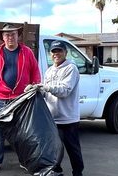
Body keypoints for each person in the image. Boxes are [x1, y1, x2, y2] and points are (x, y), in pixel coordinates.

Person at [0, 23, 41, 173]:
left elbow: (35, 73)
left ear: (18, 35)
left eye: (13, 34)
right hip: (1, 99)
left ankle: (25, 161)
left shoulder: (27, 52)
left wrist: (35, 89)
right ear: (3, 37)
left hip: (21, 99)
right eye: (7, 35)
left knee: (24, 133)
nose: (10, 37)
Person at [26, 40, 84, 176]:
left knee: (72, 148)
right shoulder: (49, 71)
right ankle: (56, 170)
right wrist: (35, 89)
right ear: (50, 54)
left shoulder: (71, 68)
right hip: (52, 117)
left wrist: (47, 87)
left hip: (68, 117)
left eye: (59, 51)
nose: (56, 54)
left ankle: (77, 172)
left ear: (66, 52)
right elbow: (46, 94)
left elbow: (65, 91)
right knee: (54, 148)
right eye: (53, 51)